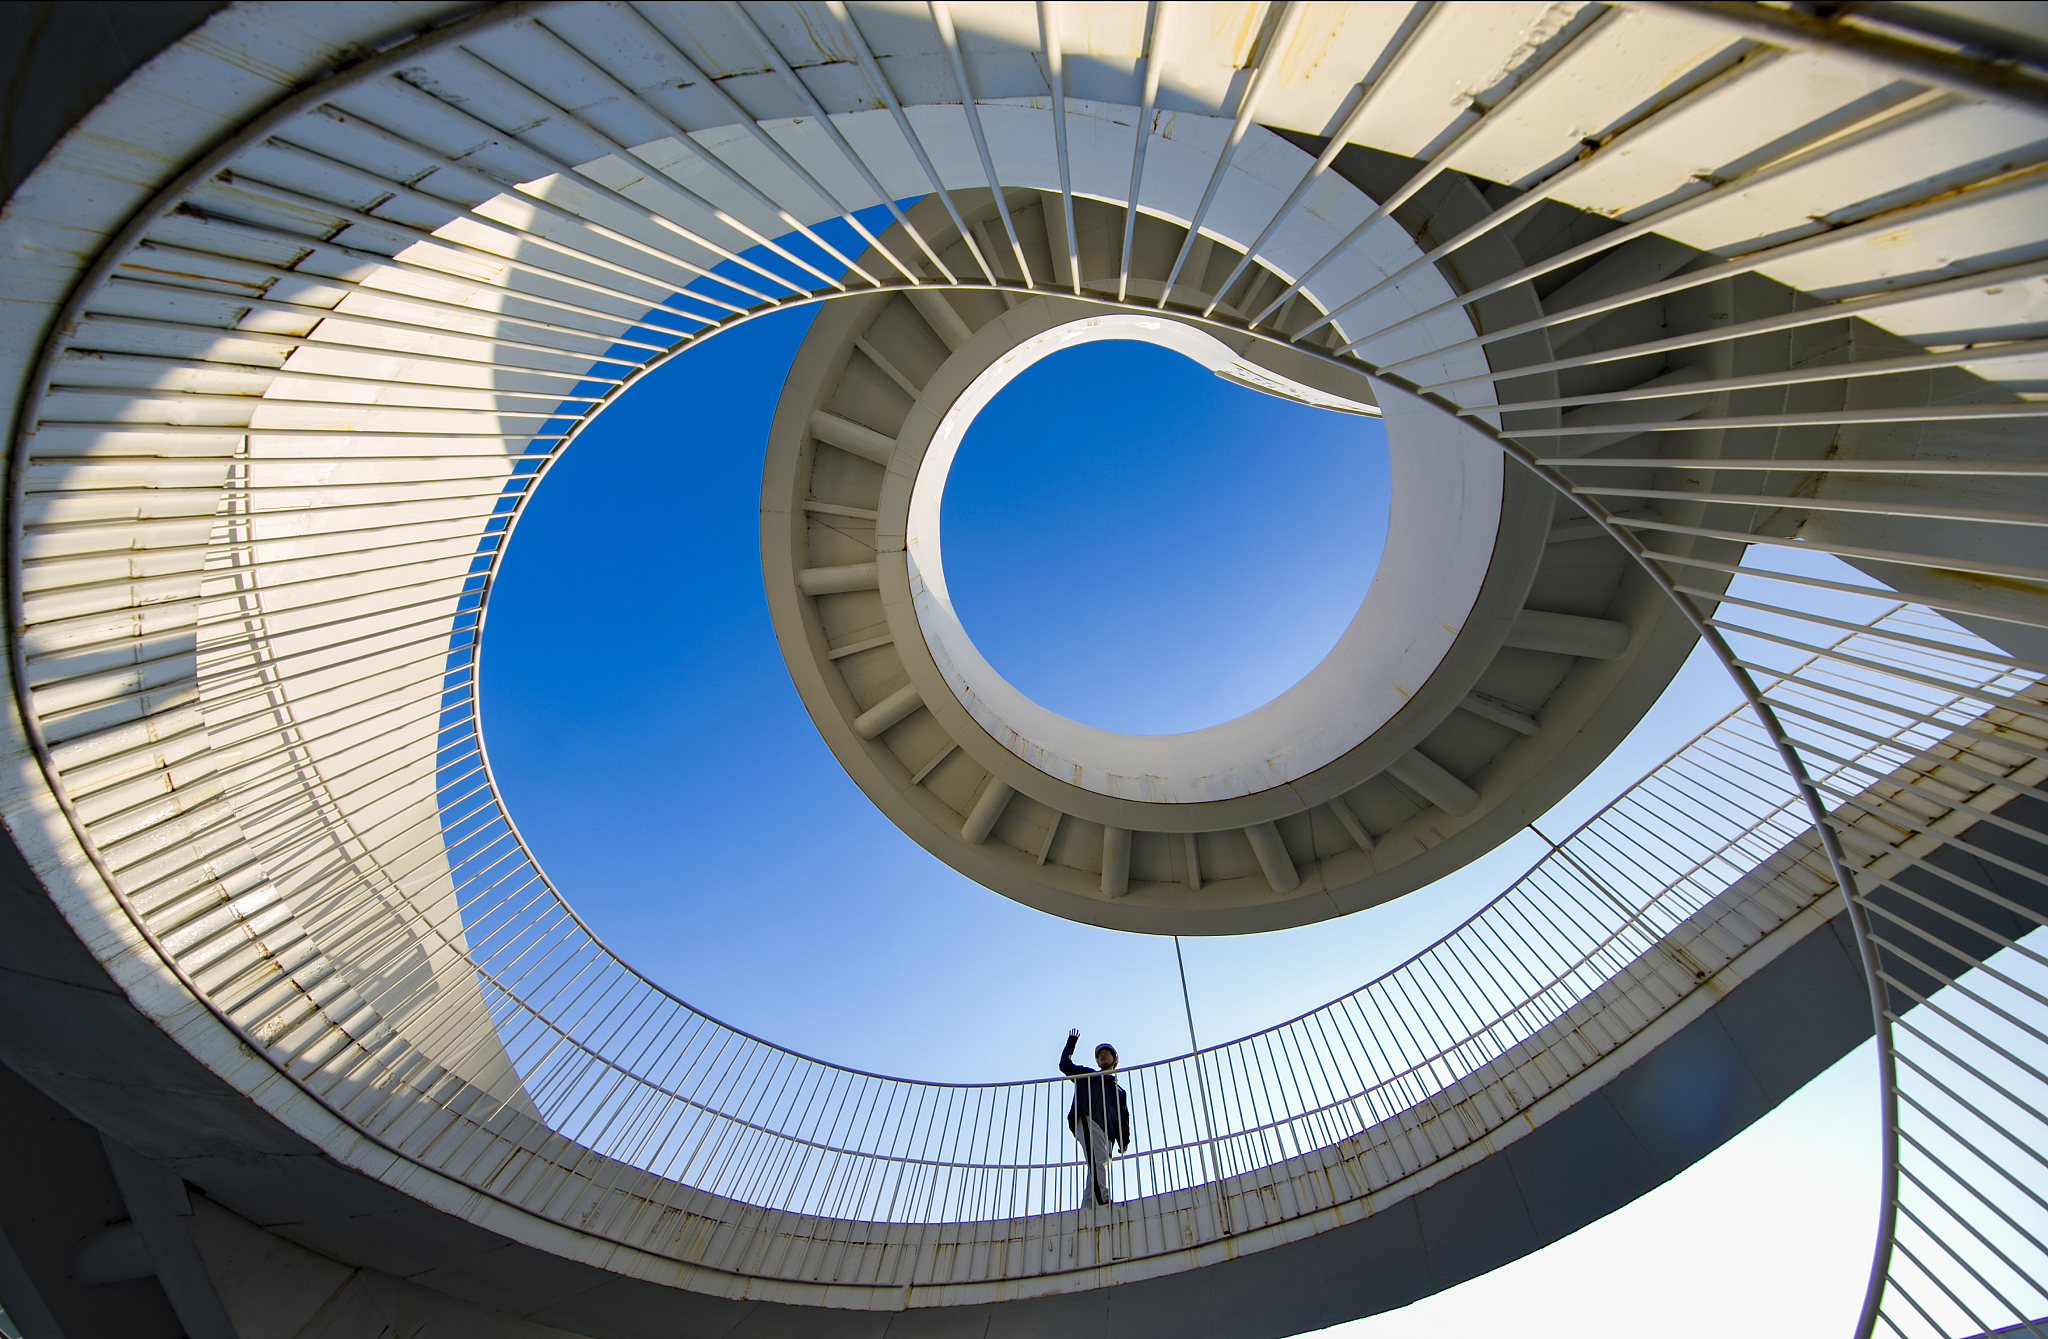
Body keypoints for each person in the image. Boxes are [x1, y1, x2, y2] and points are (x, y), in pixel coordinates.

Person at [1060, 1028, 1130, 1207]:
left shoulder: (1119, 1091)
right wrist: (1071, 1043)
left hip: (1108, 1133)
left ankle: (1088, 1207)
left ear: (1115, 1060)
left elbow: (1123, 1115)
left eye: (1107, 1053)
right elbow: (1065, 1066)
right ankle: (1103, 1200)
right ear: (1097, 1061)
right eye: (1100, 1054)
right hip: (1087, 1119)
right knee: (1099, 1159)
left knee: (1099, 1166)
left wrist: (1124, 1138)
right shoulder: (1087, 1075)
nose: (1103, 1055)